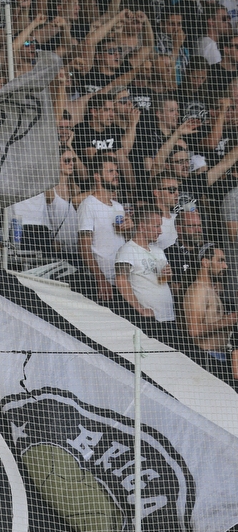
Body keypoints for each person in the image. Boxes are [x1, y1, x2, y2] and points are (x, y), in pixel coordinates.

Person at [114, 205, 177, 344]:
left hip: (169, 316)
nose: (160, 231)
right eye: (156, 226)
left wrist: (168, 274)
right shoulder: (128, 250)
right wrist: (139, 309)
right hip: (150, 320)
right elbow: (120, 280)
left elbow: (162, 280)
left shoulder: (158, 251)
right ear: (142, 227)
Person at [77, 156, 132, 303]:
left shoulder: (118, 207)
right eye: (110, 171)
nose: (116, 174)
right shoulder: (88, 205)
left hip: (123, 280)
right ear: (97, 176)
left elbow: (126, 242)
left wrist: (129, 230)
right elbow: (84, 248)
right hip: (102, 282)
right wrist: (100, 279)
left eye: (116, 171)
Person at [183, 243, 238, 380]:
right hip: (206, 358)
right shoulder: (198, 290)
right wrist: (227, 321)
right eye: (220, 260)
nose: (225, 266)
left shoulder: (210, 290)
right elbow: (194, 330)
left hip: (220, 357)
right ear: (205, 262)